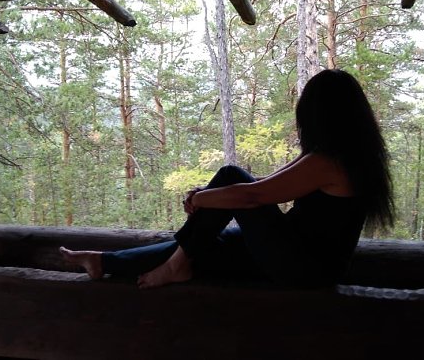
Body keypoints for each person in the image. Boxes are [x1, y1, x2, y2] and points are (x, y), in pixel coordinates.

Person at [60, 69, 394, 289]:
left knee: (230, 175)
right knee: (206, 242)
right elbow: (267, 183)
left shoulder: (329, 162)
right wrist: (208, 194)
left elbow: (253, 196)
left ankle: (175, 267)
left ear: (318, 114)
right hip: (301, 258)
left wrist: (202, 198)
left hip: (304, 270)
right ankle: (104, 261)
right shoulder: (337, 157)